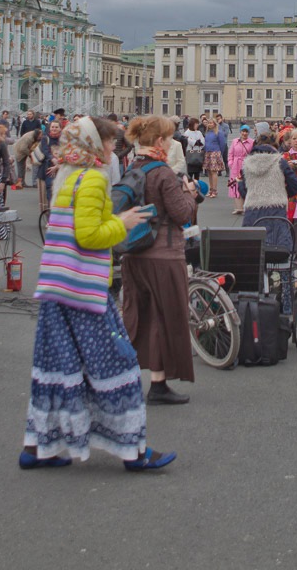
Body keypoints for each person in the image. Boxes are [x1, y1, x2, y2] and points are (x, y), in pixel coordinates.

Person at [24, 115, 173, 471]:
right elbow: (89, 236)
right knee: (116, 363)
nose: (113, 150)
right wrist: (123, 223)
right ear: (94, 145)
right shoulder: (92, 178)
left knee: (59, 366)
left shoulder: (68, 175)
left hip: (58, 285)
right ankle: (132, 448)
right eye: (108, 143)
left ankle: (37, 446)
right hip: (85, 288)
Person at [120, 115, 199, 406]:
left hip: (134, 253)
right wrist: (190, 194)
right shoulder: (164, 173)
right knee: (165, 319)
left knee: (138, 318)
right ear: (158, 141)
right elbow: (180, 215)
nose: (170, 141)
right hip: (164, 256)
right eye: (167, 137)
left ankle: (128, 379)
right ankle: (159, 383)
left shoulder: (131, 169)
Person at [239, 128, 297, 312]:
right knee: (283, 262)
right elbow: (295, 186)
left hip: (252, 216)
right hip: (276, 216)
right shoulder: (280, 162)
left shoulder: (246, 163)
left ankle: (252, 305)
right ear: (275, 145)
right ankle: (286, 307)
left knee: (253, 259)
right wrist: (282, 194)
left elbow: (243, 190)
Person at [227, 124, 253, 215]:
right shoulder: (235, 141)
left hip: (246, 165)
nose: (244, 133)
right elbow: (230, 153)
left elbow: (252, 154)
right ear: (240, 132)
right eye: (243, 131)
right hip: (235, 165)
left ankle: (245, 207)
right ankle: (238, 207)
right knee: (235, 186)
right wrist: (230, 163)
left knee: (245, 186)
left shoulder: (251, 142)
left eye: (246, 132)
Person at [202, 115, 229, 198]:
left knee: (214, 172)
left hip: (215, 152)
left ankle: (215, 190)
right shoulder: (207, 133)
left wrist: (219, 152)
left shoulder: (218, 132)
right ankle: (211, 189)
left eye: (211, 123)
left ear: (214, 124)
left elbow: (222, 144)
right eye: (209, 123)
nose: (209, 124)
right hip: (208, 153)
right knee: (209, 172)